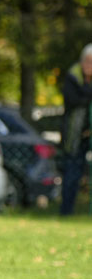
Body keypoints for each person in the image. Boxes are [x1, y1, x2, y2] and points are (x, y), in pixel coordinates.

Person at [59, 43, 92, 215]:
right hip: (74, 134)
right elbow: (74, 100)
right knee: (72, 171)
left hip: (88, 132)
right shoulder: (73, 76)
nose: (89, 65)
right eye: (87, 61)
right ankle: (66, 211)